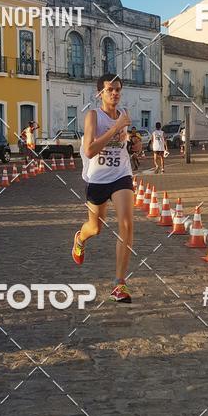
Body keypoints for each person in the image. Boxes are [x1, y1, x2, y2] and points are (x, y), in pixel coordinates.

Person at [73, 74, 134, 303]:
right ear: (100, 93)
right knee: (95, 228)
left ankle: (120, 283)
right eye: (110, 90)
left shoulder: (124, 115)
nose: (115, 93)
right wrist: (115, 128)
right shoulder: (93, 116)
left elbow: (123, 144)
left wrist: (133, 143)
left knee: (126, 224)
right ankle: (80, 239)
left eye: (118, 89)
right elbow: (89, 150)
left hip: (121, 175)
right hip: (97, 179)